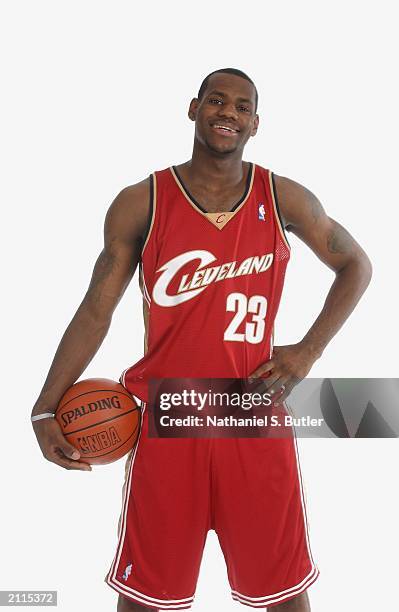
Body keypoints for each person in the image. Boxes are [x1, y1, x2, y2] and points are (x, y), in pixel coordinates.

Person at [31, 68, 372, 611]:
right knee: (147, 598)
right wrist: (45, 410)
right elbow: (97, 309)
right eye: (216, 100)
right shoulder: (141, 201)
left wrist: (308, 350)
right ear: (193, 109)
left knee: (283, 595)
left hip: (253, 418)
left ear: (255, 124)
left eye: (241, 107)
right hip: (171, 419)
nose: (227, 113)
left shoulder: (283, 197)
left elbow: (355, 264)